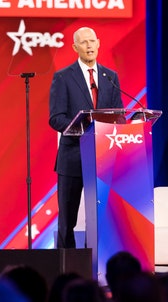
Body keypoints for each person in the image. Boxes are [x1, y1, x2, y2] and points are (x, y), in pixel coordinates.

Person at [49, 26, 124, 248]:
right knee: (67, 221)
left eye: (92, 41)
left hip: (103, 159)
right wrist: (84, 129)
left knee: (100, 219)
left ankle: (97, 265)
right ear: (75, 47)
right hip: (73, 158)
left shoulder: (110, 77)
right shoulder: (63, 77)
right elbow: (56, 118)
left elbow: (118, 115)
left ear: (99, 43)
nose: (89, 46)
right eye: (84, 42)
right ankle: (64, 267)